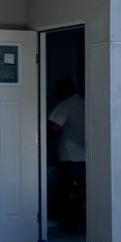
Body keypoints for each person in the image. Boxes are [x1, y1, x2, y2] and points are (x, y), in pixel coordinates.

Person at [48, 78, 86, 231]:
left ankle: (70, 224)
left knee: (70, 190)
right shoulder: (84, 103)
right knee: (81, 190)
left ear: (63, 90)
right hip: (86, 156)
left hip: (70, 156)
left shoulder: (65, 105)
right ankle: (80, 223)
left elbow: (55, 127)